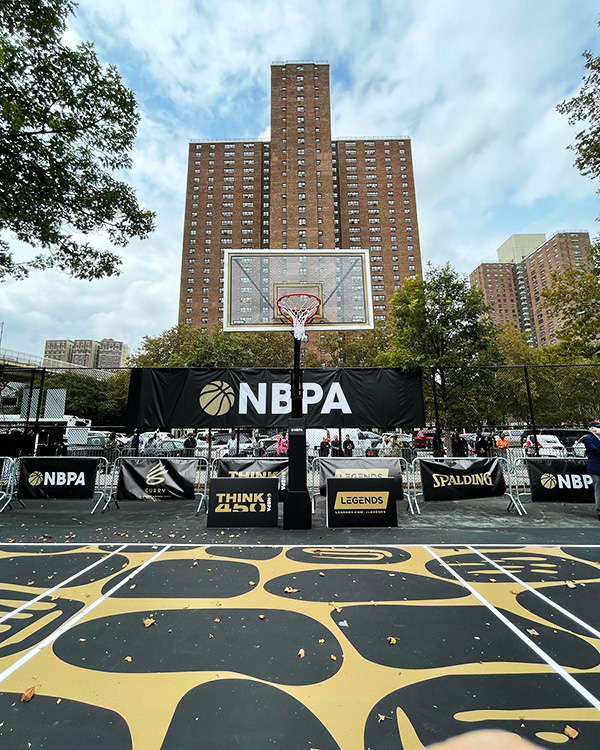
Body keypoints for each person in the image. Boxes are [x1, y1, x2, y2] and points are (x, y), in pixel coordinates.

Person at [582, 420, 600, 521]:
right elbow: (595, 450)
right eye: (597, 427)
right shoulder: (588, 439)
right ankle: (599, 511)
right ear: (591, 428)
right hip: (596, 468)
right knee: (598, 490)